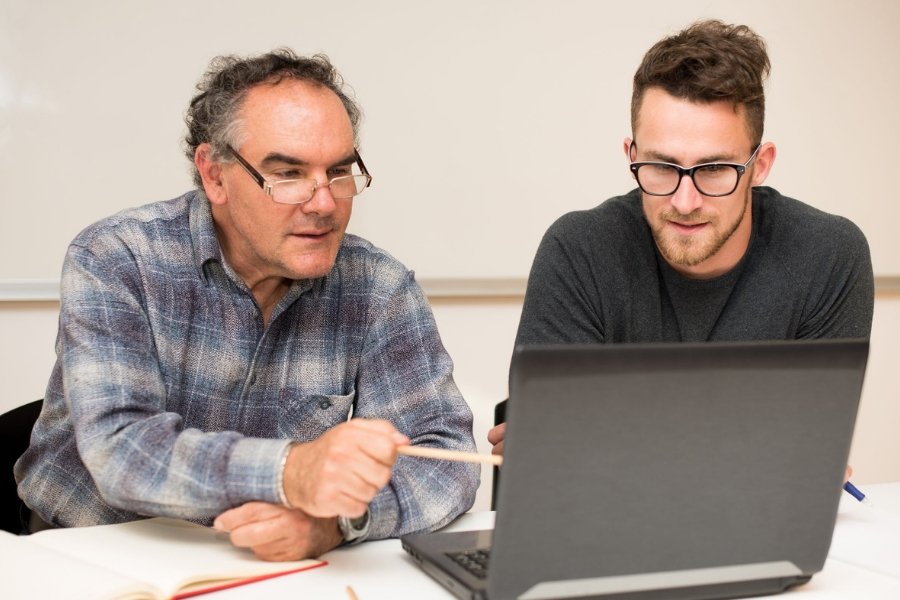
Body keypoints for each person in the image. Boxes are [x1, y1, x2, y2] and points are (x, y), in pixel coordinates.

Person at [15, 49, 479, 560]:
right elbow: (122, 449)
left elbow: (445, 459)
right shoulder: (118, 258)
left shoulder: (378, 286)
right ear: (214, 174)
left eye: (339, 171)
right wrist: (290, 471)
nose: (324, 202)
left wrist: (337, 523)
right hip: (90, 553)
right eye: (288, 173)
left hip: (265, 566)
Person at [488, 19, 874, 456]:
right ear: (631, 156)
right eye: (661, 167)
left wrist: (601, 435)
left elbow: (805, 451)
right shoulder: (579, 250)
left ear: (760, 165)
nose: (685, 201)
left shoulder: (828, 255)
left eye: (714, 169)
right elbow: (551, 456)